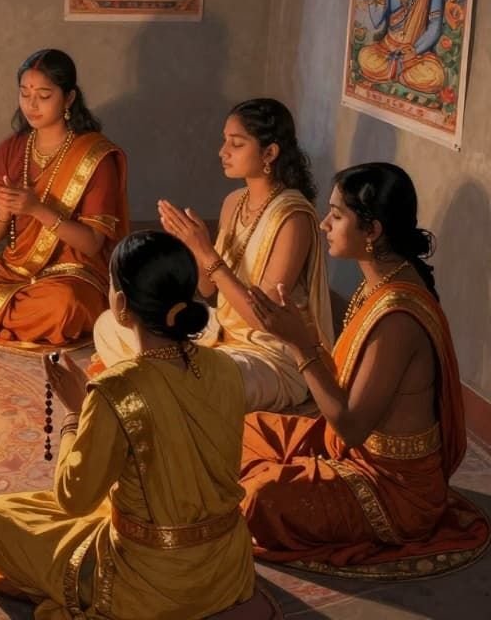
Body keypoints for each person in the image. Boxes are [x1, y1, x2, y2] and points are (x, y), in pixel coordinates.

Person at [0, 231, 257, 619]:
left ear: (121, 305)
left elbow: (74, 498)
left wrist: (76, 411)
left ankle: (78, 587)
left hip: (148, 581)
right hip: (227, 567)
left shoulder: (117, 388)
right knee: (114, 500)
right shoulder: (226, 367)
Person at [241, 163, 489, 578]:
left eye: (337, 215)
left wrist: (300, 343)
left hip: (393, 491)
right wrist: (300, 335)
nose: (324, 224)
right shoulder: (379, 281)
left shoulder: (397, 318)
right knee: (246, 430)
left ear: (371, 231)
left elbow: (351, 427)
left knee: (260, 498)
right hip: (357, 452)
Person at [91, 98, 331, 412]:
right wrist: (193, 247)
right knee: (110, 324)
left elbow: (265, 321)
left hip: (271, 356)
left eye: (237, 143)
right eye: (224, 141)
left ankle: (156, 386)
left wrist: (207, 252)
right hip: (221, 332)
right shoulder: (234, 202)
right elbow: (209, 291)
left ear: (270, 153)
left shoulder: (293, 217)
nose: (223, 151)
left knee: (201, 375)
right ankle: (162, 386)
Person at [0, 49, 127, 350]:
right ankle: (18, 320)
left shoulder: (95, 157)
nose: (32, 104)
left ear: (68, 99)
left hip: (73, 275)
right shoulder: (11, 149)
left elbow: (93, 244)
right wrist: (4, 211)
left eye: (44, 95)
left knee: (64, 305)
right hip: (14, 270)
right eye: (25, 93)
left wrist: (37, 209)